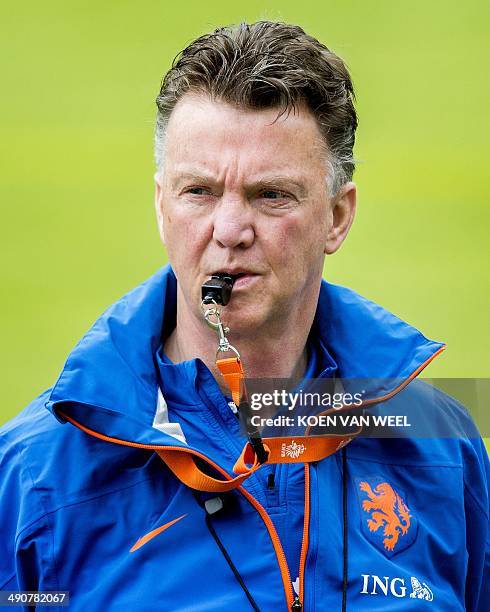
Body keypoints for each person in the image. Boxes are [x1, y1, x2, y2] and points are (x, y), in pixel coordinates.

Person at [1, 21, 488, 612]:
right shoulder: (34, 479)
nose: (229, 232)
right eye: (199, 192)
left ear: (337, 216)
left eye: (271, 195)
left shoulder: (444, 448)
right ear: (161, 207)